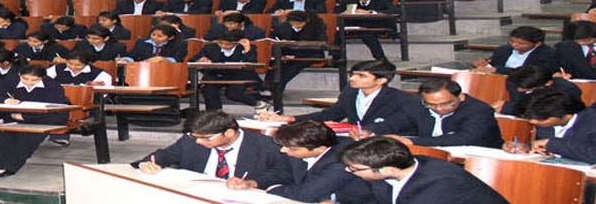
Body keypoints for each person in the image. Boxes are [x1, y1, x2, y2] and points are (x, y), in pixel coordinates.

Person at [226, 120, 374, 203]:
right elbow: (284, 173)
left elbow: (305, 195)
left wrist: (272, 189)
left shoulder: (344, 159)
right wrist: (252, 183)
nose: (283, 151)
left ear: (320, 148)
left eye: (291, 148)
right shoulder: (299, 148)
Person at [259, 59, 419, 135]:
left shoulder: (400, 99)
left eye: (361, 76)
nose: (352, 79)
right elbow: (330, 115)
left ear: (382, 80)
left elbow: (398, 124)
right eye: (353, 75)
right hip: (355, 140)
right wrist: (289, 119)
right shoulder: (350, 92)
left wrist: (369, 131)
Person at [130, 111, 290, 185]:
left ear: (229, 132)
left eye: (206, 138)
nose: (199, 143)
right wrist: (148, 164)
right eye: (196, 138)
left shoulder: (266, 145)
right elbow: (163, 156)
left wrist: (252, 183)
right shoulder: (191, 141)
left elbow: (283, 174)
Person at [339, 136, 507, 204]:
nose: (348, 170)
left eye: (354, 168)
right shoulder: (404, 167)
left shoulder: (440, 185)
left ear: (387, 169)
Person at [0, 65, 72, 176]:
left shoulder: (52, 86)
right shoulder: (12, 80)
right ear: (19, 75)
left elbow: (56, 110)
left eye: (34, 80)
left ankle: (11, 167)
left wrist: (25, 117)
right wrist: (5, 100)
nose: (29, 82)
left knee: (27, 137)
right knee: (4, 134)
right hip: (17, 117)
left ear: (42, 78)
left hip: (44, 119)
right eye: (25, 79)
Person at [377, 79, 503, 148]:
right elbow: (396, 122)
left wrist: (413, 142)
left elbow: (465, 138)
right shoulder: (418, 105)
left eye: (446, 104)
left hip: (473, 160)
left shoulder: (479, 110)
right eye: (431, 104)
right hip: (432, 156)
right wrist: (369, 131)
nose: (438, 108)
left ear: (461, 97)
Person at [192, 31, 265, 111]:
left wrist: (247, 50)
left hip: (239, 76)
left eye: (228, 44)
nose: (223, 46)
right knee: (208, 88)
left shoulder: (247, 47)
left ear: (236, 43)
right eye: (220, 43)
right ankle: (215, 111)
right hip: (216, 75)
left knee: (233, 93)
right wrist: (201, 60)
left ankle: (257, 103)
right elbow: (194, 59)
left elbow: (251, 64)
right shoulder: (210, 47)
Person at [267, 11, 329, 99]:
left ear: (306, 21)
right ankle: (267, 88)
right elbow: (273, 38)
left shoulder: (316, 27)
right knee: (275, 64)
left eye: (298, 23)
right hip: (288, 53)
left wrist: (295, 43)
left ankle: (277, 90)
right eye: (292, 23)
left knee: (293, 67)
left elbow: (321, 42)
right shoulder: (284, 27)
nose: (295, 25)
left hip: (309, 54)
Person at [523, 91, 596, 162]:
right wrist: (527, 147)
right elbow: (541, 144)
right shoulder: (544, 124)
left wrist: (553, 144)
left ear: (566, 116)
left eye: (540, 119)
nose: (533, 122)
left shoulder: (591, 122)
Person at [335, 0, 400, 60]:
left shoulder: (384, 0)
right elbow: (337, 13)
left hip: (374, 25)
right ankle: (337, 58)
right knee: (337, 32)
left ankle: (381, 58)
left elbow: (395, 11)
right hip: (353, 24)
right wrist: (344, 13)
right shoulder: (347, 0)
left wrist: (370, 12)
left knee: (367, 34)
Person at [499, 65, 582, 116]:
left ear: (547, 83)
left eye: (524, 88)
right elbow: (518, 101)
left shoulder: (566, 89)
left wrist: (509, 107)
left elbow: (550, 112)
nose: (519, 90)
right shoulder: (517, 81)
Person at [474, 26, 557, 75]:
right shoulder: (503, 50)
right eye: (512, 41)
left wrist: (498, 70)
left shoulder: (547, 54)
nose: (514, 45)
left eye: (521, 43)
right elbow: (492, 65)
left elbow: (534, 73)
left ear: (538, 44)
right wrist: (485, 64)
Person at [46, 51, 113, 85]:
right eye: (70, 63)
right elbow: (43, 79)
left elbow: (103, 93)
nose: (73, 67)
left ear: (87, 64)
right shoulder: (57, 68)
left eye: (78, 65)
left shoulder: (99, 74)